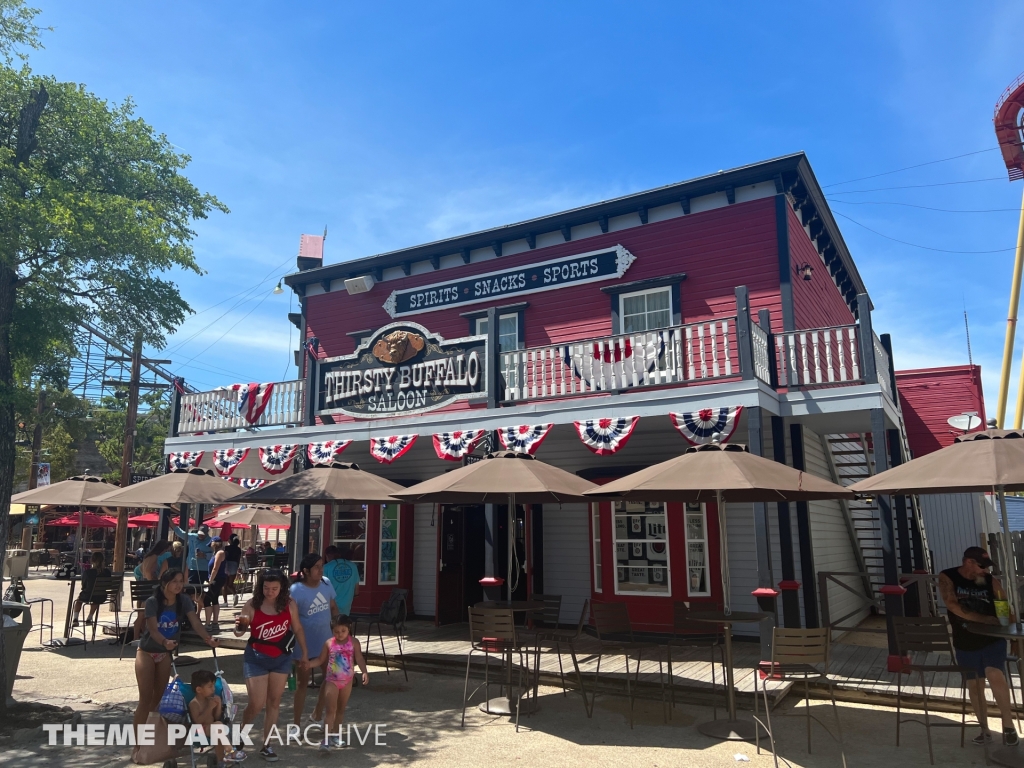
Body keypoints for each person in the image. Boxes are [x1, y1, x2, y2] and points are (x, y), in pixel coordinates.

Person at [939, 546, 1019, 746]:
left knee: (994, 673)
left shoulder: (988, 579)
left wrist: (1013, 634)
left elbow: (1003, 603)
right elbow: (952, 604)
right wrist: (982, 619)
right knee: (975, 684)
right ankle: (984, 729)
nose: (985, 570)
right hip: (965, 638)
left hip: (992, 637)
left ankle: (1008, 726)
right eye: (982, 566)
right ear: (969, 562)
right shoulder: (948, 577)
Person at [234, 568, 309, 762]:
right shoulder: (252, 604)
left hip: (281, 657)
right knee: (256, 703)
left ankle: (267, 745)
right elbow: (240, 633)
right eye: (266, 588)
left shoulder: (289, 604)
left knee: (274, 701)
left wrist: (304, 653)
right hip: (256, 656)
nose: (270, 592)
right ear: (261, 587)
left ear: (282, 588)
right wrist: (239, 626)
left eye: (274, 588)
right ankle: (239, 733)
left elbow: (298, 628)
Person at [134, 569, 218, 729]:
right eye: (175, 581)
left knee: (158, 697)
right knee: (145, 698)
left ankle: (151, 735)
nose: (179, 585)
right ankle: (138, 746)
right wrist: (164, 641)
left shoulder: (184, 600)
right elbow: (152, 629)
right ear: (165, 583)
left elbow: (195, 622)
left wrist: (208, 638)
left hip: (165, 654)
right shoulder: (152, 601)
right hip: (147, 652)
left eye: (181, 581)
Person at [289, 553, 339, 729]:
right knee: (302, 684)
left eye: (321, 566)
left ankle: (317, 713)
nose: (320, 570)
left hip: (326, 643)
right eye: (316, 567)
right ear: (306, 571)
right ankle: (295, 725)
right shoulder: (295, 590)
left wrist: (340, 631)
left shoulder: (326, 583)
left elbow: (333, 607)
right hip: (304, 646)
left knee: (331, 678)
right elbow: (290, 620)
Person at [310, 614, 368, 751]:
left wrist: (364, 671)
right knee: (331, 710)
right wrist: (308, 664)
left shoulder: (354, 642)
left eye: (343, 631)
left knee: (341, 710)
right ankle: (326, 739)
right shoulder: (329, 643)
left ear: (349, 629)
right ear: (332, 631)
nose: (340, 634)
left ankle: (335, 735)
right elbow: (319, 660)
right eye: (336, 631)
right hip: (332, 681)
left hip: (347, 681)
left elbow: (359, 658)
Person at [188, 669, 246, 767]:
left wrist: (218, 705)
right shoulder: (194, 703)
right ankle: (230, 750)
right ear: (199, 690)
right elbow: (197, 721)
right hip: (200, 730)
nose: (213, 689)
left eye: (214, 685)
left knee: (219, 732)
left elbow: (216, 717)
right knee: (218, 726)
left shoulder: (210, 699)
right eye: (210, 686)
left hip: (213, 728)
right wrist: (209, 707)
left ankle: (221, 762)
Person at [72, 551, 111, 626]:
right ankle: (89, 618)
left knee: (78, 601)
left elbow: (83, 586)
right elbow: (108, 585)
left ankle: (75, 619)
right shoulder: (107, 572)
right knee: (96, 599)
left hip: (88, 596)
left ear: (92, 560)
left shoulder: (88, 572)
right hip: (102, 596)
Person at [322, 545, 360, 616]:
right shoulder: (353, 566)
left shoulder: (326, 567)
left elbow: (322, 588)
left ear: (328, 555)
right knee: (343, 625)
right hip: (346, 605)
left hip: (329, 606)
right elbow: (356, 591)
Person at [204, 537, 227, 632]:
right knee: (214, 599)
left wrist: (210, 580)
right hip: (216, 579)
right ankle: (215, 623)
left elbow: (215, 568)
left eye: (211, 544)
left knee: (206, 599)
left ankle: (208, 623)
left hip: (217, 579)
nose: (211, 547)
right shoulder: (215, 553)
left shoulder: (220, 553)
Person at [223, 535, 243, 607]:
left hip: (227, 565)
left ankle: (225, 602)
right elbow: (238, 559)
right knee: (230, 584)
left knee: (224, 585)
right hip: (234, 565)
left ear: (230, 540)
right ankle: (235, 594)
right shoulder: (238, 549)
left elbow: (224, 557)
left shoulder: (226, 548)